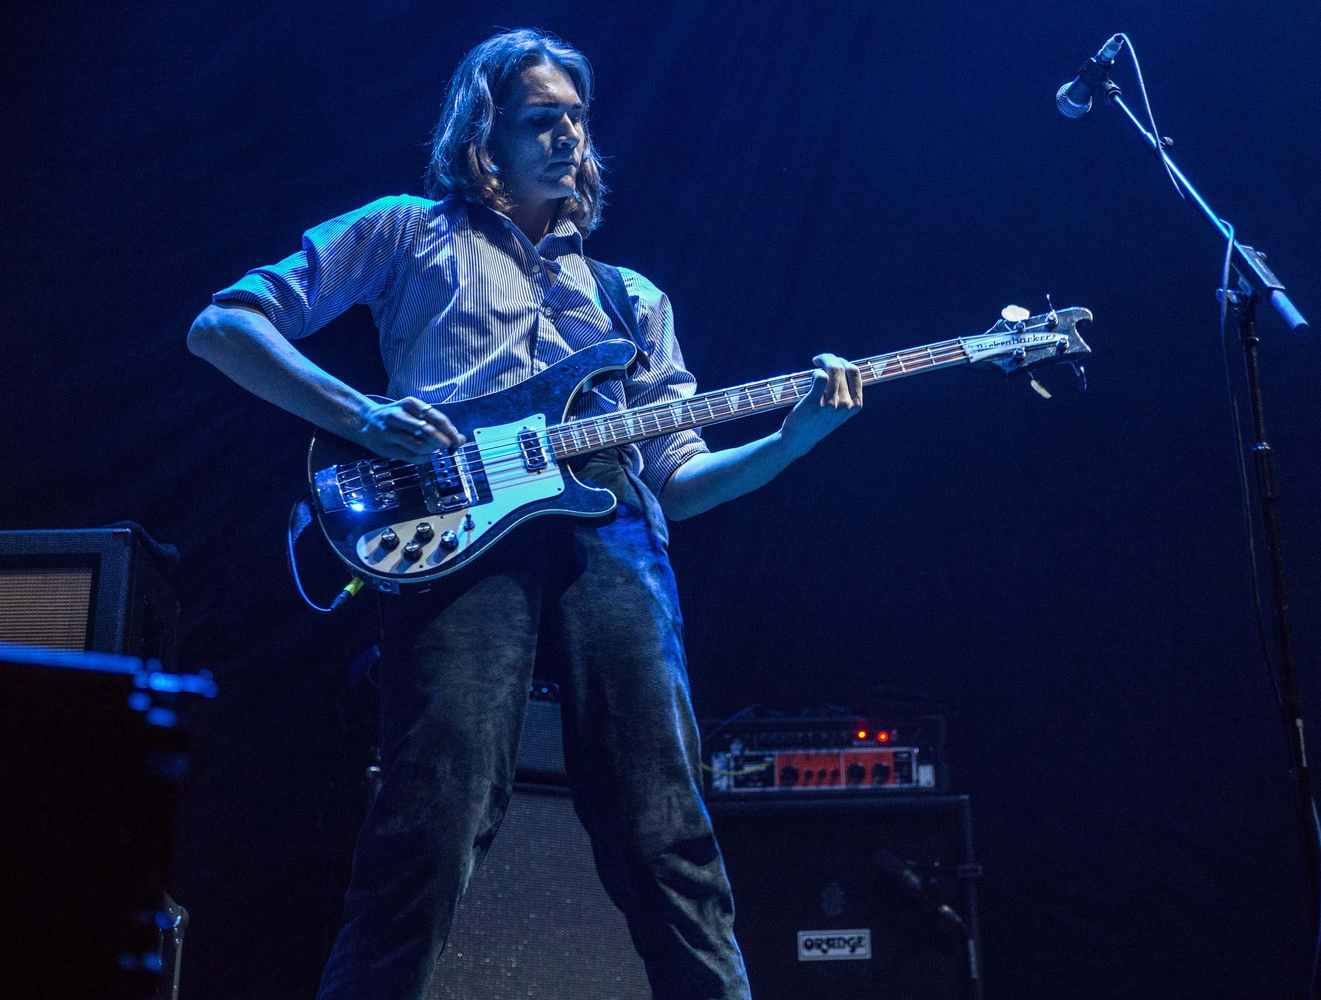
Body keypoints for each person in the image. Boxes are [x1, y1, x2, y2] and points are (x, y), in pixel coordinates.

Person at [187, 27, 862, 1000]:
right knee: (432, 816)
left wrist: (794, 440)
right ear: (483, 135)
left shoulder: (631, 300)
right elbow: (225, 326)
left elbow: (677, 479)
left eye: (579, 120)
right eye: (542, 119)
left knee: (665, 823)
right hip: (454, 529)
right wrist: (364, 415)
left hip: (616, 530)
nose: (570, 138)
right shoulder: (409, 231)